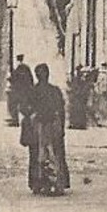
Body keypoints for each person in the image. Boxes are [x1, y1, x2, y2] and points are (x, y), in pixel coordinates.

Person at [25, 64, 70, 195]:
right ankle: (57, 182)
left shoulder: (33, 91)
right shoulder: (54, 91)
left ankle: (38, 183)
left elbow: (26, 109)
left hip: (40, 127)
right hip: (52, 127)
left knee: (38, 155)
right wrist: (61, 127)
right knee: (55, 154)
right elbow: (61, 109)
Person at [6, 53, 34, 127]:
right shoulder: (26, 68)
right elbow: (30, 79)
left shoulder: (19, 69)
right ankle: (19, 120)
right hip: (24, 90)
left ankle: (15, 120)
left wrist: (10, 79)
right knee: (22, 105)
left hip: (19, 90)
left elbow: (15, 78)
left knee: (14, 105)